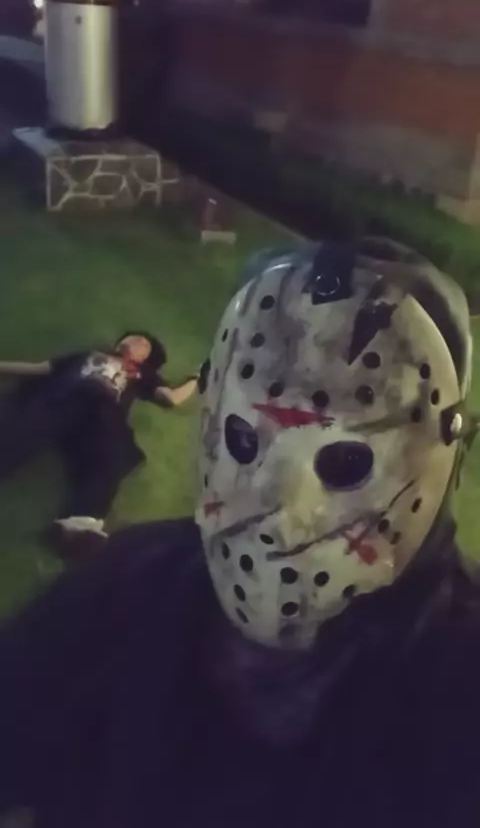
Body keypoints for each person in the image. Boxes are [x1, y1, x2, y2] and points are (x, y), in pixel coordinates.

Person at [1, 238, 480, 828]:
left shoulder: (460, 679)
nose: (282, 516)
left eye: (345, 463)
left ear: (446, 457)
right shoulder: (122, 591)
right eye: (244, 441)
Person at [0, 331, 198, 559]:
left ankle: (80, 524)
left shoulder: (142, 375)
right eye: (133, 337)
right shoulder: (88, 356)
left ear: (146, 359)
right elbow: (39, 369)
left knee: (114, 448)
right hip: (68, 398)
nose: (137, 342)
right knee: (33, 422)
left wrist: (196, 378)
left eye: (144, 345)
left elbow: (171, 398)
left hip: (101, 416)